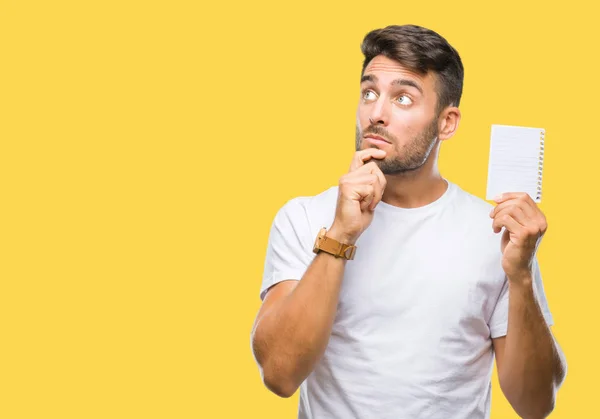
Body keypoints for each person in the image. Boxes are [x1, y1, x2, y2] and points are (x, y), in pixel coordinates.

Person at [250, 24, 567, 419]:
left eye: (402, 98)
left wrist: (521, 276)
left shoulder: (496, 234)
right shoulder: (304, 218)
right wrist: (341, 235)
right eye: (369, 93)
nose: (376, 114)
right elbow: (279, 375)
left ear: (446, 123)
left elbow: (535, 405)